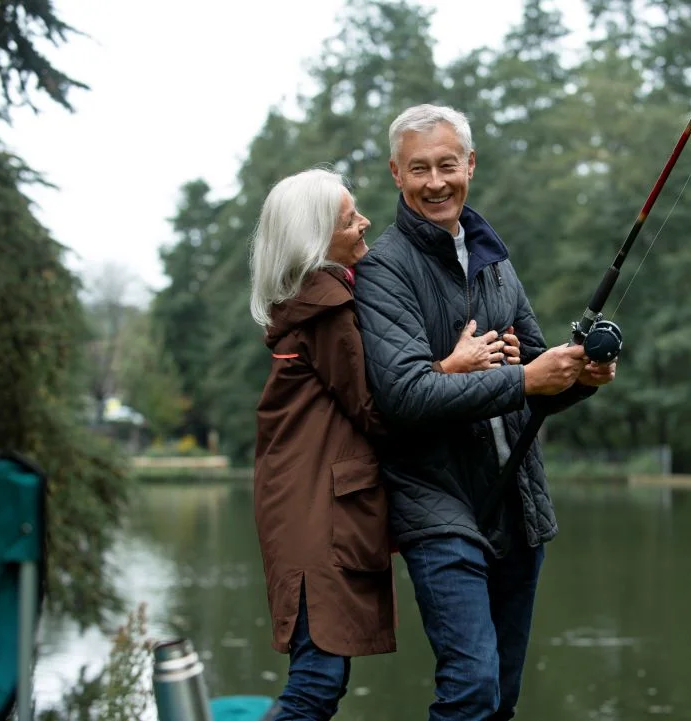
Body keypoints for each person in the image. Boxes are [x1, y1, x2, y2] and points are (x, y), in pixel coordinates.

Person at [352, 105, 618, 721]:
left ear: (470, 164)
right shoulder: (383, 269)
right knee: (471, 690)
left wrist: (582, 376)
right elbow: (405, 394)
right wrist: (524, 377)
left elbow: (539, 381)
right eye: (419, 169)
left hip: (517, 500)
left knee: (503, 696)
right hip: (436, 501)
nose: (436, 181)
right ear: (397, 174)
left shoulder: (495, 258)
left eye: (448, 164)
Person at [249, 167, 514, 721]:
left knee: (319, 679)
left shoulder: (315, 298)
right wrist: (451, 367)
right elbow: (378, 407)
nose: (365, 221)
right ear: (316, 237)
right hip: (314, 514)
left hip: (307, 508)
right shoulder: (326, 307)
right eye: (350, 218)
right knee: (315, 684)